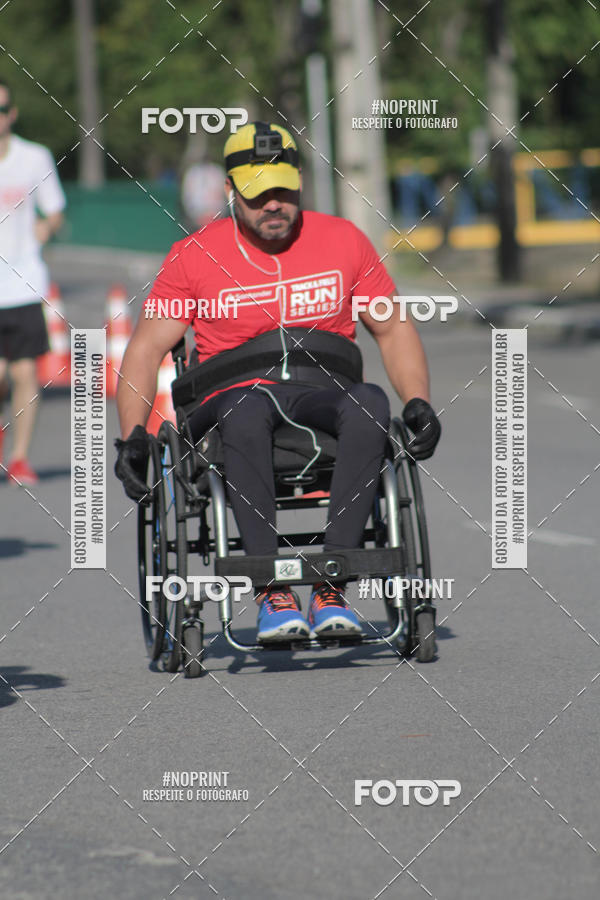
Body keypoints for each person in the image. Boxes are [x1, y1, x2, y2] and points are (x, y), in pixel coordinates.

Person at [115, 121, 441, 642]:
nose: (273, 203)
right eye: (257, 192)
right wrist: (134, 436)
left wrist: (419, 401)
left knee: (371, 402)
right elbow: (146, 349)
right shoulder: (193, 256)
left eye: (283, 190)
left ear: (299, 184)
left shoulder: (344, 241)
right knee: (246, 410)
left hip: (322, 389)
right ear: (230, 192)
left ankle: (333, 589)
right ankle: (274, 593)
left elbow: (392, 326)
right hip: (231, 398)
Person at [0, 80, 66, 485]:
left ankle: (20, 457)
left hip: (23, 284)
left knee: (25, 373)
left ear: (13, 113)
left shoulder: (33, 157)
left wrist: (42, 232)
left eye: (2, 109)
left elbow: (54, 209)